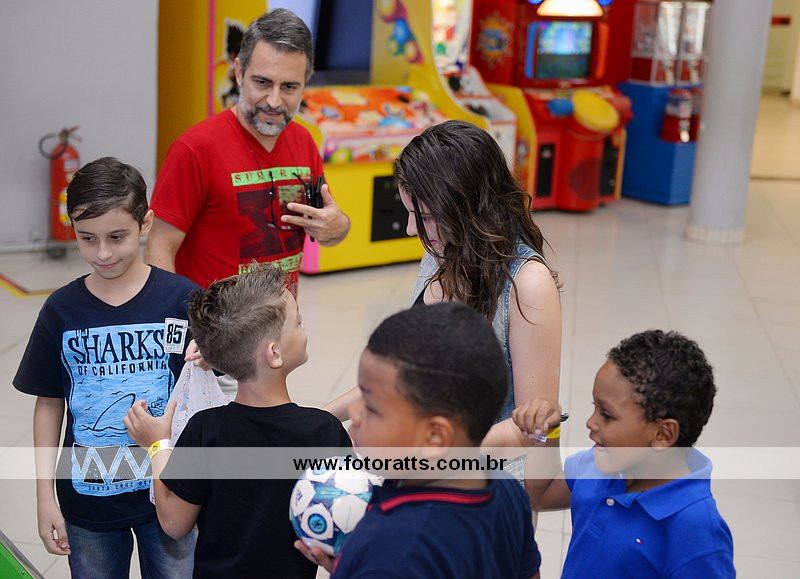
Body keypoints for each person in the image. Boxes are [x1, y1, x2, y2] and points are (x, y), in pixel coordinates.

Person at [326, 120, 561, 468]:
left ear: (469, 208)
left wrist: (425, 453)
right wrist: (319, 418)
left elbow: (532, 429)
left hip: (489, 478)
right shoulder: (441, 250)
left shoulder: (529, 284)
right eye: (410, 213)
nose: (412, 229)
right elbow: (406, 373)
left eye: (424, 216)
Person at [13, 157, 197, 578]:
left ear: (145, 223)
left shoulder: (182, 299)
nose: (103, 253)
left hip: (170, 494)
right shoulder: (60, 309)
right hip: (87, 501)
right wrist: (44, 496)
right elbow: (49, 403)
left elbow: (210, 390)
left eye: (117, 236)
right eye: (87, 238)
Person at [124, 264, 352, 578]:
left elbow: (174, 523)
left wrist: (157, 445)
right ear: (274, 353)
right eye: (298, 321)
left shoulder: (205, 430)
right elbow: (347, 520)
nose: (304, 326)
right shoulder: (324, 432)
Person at [297, 303, 542, 578]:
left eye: (371, 407)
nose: (353, 413)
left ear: (435, 437)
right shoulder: (508, 490)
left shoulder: (391, 551)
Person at [146, 8, 350, 294]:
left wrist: (338, 226)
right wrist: (175, 317)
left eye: (289, 87)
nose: (274, 101)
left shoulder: (304, 141)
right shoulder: (194, 148)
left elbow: (328, 226)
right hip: (211, 321)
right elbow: (159, 249)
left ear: (306, 82)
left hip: (281, 319)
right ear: (239, 72)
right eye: (263, 82)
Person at [514, 330, 736, 578]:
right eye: (594, 408)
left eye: (607, 415)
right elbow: (540, 495)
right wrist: (548, 429)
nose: (590, 422)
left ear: (663, 434)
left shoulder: (698, 532)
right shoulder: (598, 465)